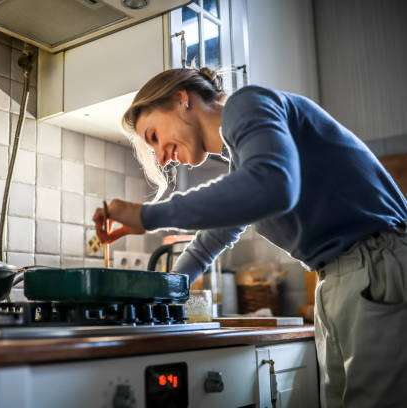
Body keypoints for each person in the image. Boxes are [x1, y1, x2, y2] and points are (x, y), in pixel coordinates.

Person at [93, 67, 407, 408]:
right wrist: (159, 298)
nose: (163, 157)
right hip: (342, 280)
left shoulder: (248, 103)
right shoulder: (244, 165)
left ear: (181, 99)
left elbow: (272, 185)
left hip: (377, 266)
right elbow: (206, 245)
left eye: (153, 136)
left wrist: (146, 216)